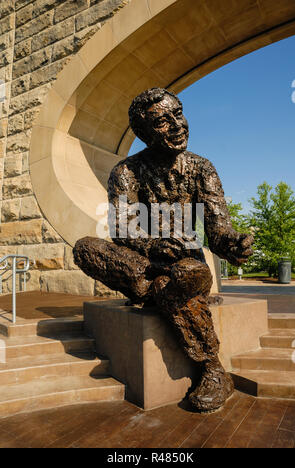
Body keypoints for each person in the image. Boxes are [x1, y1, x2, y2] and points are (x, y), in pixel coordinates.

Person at [73, 88, 253, 412]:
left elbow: (217, 229)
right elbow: (122, 227)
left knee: (184, 274)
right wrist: (154, 245)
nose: (176, 125)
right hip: (144, 263)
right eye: (161, 122)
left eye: (178, 114)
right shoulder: (126, 172)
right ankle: (153, 287)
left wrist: (232, 245)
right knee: (86, 248)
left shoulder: (202, 168)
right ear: (143, 133)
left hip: (186, 267)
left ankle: (212, 369)